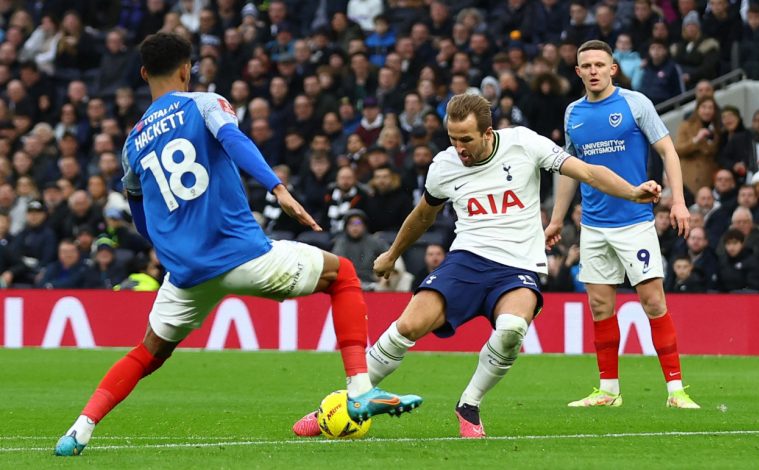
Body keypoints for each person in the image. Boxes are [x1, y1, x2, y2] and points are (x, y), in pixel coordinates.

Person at [55, 33, 421, 457]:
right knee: (343, 274)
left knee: (148, 352)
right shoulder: (205, 103)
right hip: (244, 255)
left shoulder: (132, 143)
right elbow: (234, 141)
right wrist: (277, 187)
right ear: (186, 69)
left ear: (142, 74)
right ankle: (359, 389)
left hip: (187, 274)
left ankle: (79, 429)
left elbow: (141, 218)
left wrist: (172, 248)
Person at [293, 93, 662, 438]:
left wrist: (631, 192)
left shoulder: (524, 144)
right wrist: (392, 254)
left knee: (512, 329)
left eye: (466, 139)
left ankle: (469, 406)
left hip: (518, 266)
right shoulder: (444, 166)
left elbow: (588, 172)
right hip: (466, 260)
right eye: (452, 138)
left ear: (488, 132)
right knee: (405, 327)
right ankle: (336, 406)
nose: (459, 148)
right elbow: (423, 216)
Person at [545, 40, 700, 410]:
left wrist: (677, 201)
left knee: (652, 301)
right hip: (594, 226)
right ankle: (608, 390)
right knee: (600, 306)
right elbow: (570, 169)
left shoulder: (635, 103)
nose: (594, 70)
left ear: (613, 68)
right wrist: (556, 220)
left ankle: (676, 391)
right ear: (578, 72)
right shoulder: (572, 114)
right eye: (588, 65)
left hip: (634, 222)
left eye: (601, 64)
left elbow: (667, 151)